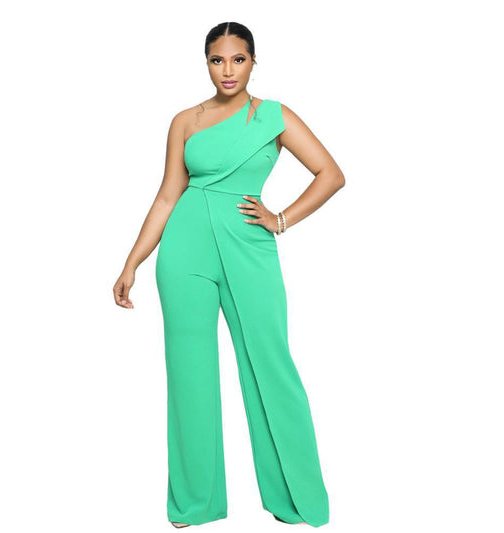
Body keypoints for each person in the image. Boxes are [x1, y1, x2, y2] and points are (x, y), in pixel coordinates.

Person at [113, 21, 345, 529]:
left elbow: (331, 175)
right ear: (207, 63)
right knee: (190, 376)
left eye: (238, 59)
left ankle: (295, 499)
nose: (228, 70)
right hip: (184, 251)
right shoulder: (185, 121)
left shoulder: (274, 116)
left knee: (270, 365)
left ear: (253, 62)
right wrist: (133, 261)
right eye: (217, 60)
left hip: (249, 249)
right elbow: (168, 196)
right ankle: (196, 504)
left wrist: (280, 218)